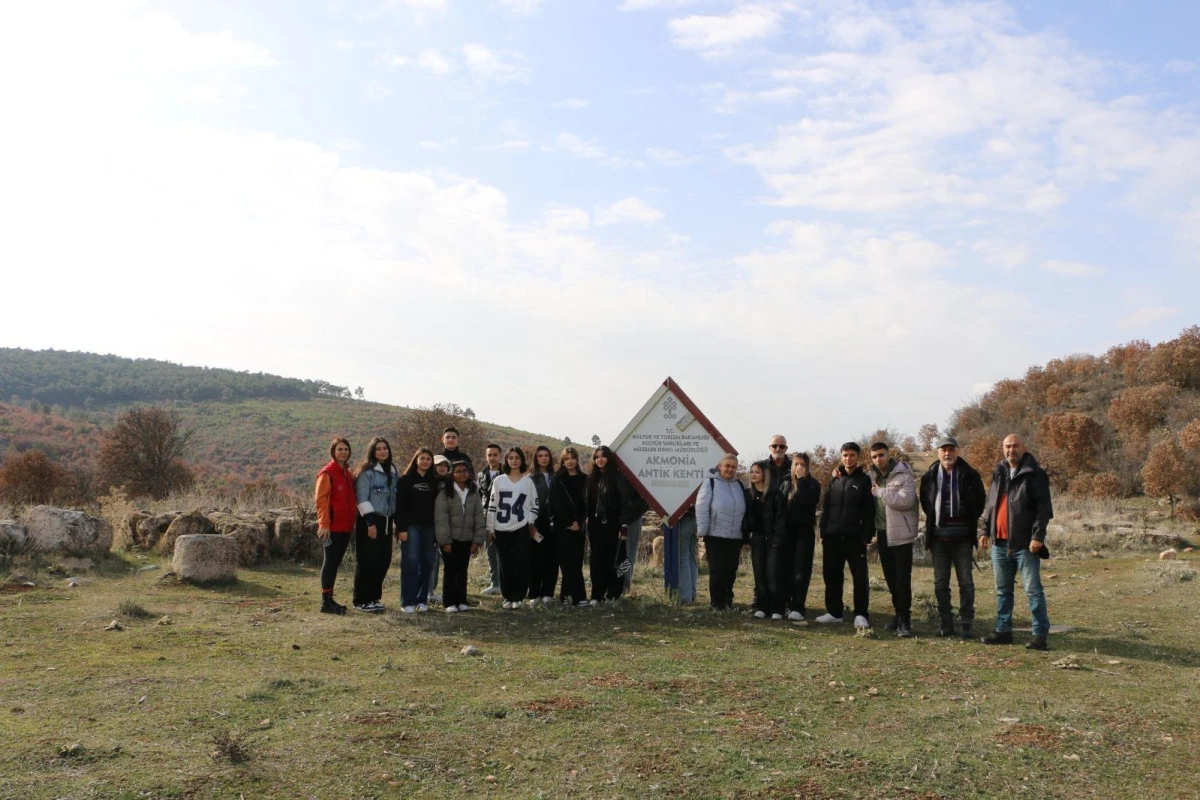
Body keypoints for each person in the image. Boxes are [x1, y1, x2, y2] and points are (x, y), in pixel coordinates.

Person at [980, 434, 1054, 650]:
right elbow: (990, 504)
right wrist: (985, 530)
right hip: (999, 543)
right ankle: (1003, 631)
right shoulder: (999, 472)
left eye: (1015, 446)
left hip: (1025, 544)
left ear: (1024, 447)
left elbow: (1043, 509)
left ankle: (1040, 635)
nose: (1011, 450)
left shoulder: (1035, 473)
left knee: (1033, 590)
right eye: (1007, 446)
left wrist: (1037, 536)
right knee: (1003, 590)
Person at [918, 435, 987, 638]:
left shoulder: (970, 474)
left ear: (957, 451)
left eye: (951, 449)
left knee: (966, 582)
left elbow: (980, 501)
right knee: (941, 583)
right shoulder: (929, 476)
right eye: (944, 450)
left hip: (963, 538)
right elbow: (926, 503)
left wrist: (969, 519)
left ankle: (966, 623)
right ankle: (946, 623)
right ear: (938, 452)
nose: (947, 453)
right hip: (939, 539)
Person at [817, 442, 876, 629]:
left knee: (859, 578)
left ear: (858, 457)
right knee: (831, 575)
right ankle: (834, 612)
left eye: (851, 455)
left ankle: (860, 614)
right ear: (841, 456)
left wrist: (866, 536)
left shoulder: (864, 481)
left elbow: (870, 511)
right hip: (832, 537)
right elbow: (826, 507)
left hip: (855, 538)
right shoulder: (834, 479)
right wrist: (823, 531)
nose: (848, 458)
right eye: (845, 455)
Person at [867, 442, 919, 638]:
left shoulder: (904, 474)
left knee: (902, 579)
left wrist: (880, 492)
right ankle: (898, 614)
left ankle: (905, 620)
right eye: (874, 456)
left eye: (881, 455)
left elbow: (906, 501)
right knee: (890, 578)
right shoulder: (871, 476)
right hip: (882, 533)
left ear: (889, 455)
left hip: (901, 534)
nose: (878, 459)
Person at [486, 447, 540, 609]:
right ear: (506, 460)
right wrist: (490, 528)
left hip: (521, 527)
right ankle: (507, 596)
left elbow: (535, 505)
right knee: (504, 564)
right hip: (500, 528)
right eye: (511, 458)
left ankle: (518, 596)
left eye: (517, 458)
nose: (514, 461)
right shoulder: (499, 480)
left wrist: (529, 520)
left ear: (522, 460)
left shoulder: (528, 481)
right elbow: (492, 505)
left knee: (521, 563)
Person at [353, 437, 400, 613]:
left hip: (387, 521)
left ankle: (374, 597)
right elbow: (361, 498)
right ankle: (361, 600)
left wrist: (398, 524)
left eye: (385, 448)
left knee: (383, 560)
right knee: (367, 561)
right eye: (378, 448)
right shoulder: (367, 472)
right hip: (370, 520)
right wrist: (370, 524)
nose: (382, 451)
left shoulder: (394, 471)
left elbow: (396, 498)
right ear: (372, 452)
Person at [696, 453, 747, 611]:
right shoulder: (710, 483)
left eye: (733, 467)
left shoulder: (739, 485)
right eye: (727, 466)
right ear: (720, 466)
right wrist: (702, 530)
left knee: (731, 571)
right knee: (717, 571)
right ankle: (716, 603)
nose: (730, 469)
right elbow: (701, 506)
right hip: (715, 535)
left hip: (735, 536)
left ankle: (727, 602)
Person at [434, 461, 486, 613]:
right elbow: (441, 518)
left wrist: (477, 540)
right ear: (452, 473)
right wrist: (444, 540)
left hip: (467, 539)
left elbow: (479, 515)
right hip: (450, 539)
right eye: (458, 471)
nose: (462, 473)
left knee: (463, 570)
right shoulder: (445, 492)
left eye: (465, 471)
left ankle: (462, 600)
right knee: (450, 570)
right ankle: (449, 602)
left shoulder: (473, 491)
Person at [585, 445, 631, 605]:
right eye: (597, 456)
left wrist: (623, 525)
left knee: (615, 558)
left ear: (609, 458)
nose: (600, 459)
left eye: (603, 456)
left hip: (614, 523)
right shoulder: (591, 478)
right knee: (596, 559)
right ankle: (597, 595)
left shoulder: (618, 477)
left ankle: (613, 594)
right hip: (595, 524)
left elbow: (625, 502)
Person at [315, 437, 356, 615]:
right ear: (333, 451)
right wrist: (323, 524)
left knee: (335, 562)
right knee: (330, 563)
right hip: (332, 527)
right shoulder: (327, 473)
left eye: (346, 449)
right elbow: (321, 501)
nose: (343, 452)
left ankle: (330, 599)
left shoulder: (347, 474)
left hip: (346, 526)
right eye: (340, 449)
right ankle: (325, 602)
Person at [395, 447, 439, 613]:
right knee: (411, 563)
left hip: (429, 528)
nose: (425, 461)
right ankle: (407, 601)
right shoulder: (405, 480)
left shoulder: (434, 482)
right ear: (416, 460)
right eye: (422, 458)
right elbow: (399, 506)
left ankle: (422, 600)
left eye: (428, 459)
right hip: (410, 527)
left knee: (427, 563)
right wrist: (401, 528)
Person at [780, 452, 821, 623]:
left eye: (802, 464)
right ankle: (786, 604)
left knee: (801, 571)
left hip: (804, 532)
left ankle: (798, 606)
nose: (799, 467)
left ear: (808, 467)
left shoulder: (813, 484)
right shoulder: (785, 483)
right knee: (786, 570)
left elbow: (807, 501)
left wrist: (802, 480)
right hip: (786, 532)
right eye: (796, 464)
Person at [745, 462, 787, 619]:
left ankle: (777, 609)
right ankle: (762, 607)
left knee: (773, 574)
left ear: (765, 475)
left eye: (757, 472)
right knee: (759, 574)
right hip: (757, 539)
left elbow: (781, 518)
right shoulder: (748, 494)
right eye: (752, 472)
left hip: (773, 539)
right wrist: (746, 537)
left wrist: (777, 538)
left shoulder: (776, 494)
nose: (753, 475)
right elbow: (745, 518)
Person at [550, 446, 590, 606]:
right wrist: (568, 522)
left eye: (573, 458)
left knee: (577, 562)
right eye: (566, 459)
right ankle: (572, 597)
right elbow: (555, 503)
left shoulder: (585, 479)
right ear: (562, 461)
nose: (570, 461)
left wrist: (579, 522)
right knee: (566, 563)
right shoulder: (557, 479)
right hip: (562, 527)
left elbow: (586, 504)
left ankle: (572, 597)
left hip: (579, 528)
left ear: (577, 459)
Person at [527, 446, 558, 606]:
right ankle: (534, 593)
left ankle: (548, 592)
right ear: (536, 458)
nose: (544, 458)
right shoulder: (530, 478)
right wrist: (531, 524)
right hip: (537, 522)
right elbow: (527, 502)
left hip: (554, 523)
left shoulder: (556, 476)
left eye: (546, 455)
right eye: (540, 456)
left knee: (552, 559)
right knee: (535, 559)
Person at [477, 444, 503, 596]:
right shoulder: (481, 475)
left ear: (500, 456)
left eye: (495, 454)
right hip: (487, 517)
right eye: (489, 455)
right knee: (490, 551)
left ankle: (506, 582)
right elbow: (480, 496)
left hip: (504, 517)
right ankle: (495, 583)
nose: (492, 457)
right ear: (486, 457)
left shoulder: (506, 473)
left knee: (504, 552)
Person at [427, 454, 452, 605]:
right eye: (439, 465)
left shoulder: (449, 483)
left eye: (445, 465)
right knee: (429, 561)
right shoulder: (429, 482)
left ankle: (431, 591)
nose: (442, 468)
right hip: (428, 525)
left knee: (436, 562)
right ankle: (427, 592)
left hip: (444, 526)